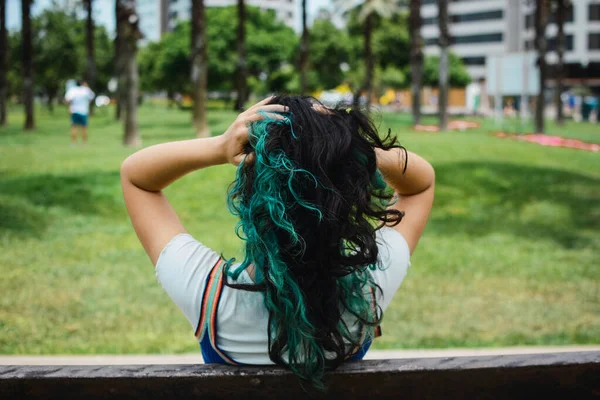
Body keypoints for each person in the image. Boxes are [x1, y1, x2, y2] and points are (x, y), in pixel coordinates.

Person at [120, 96, 435, 388]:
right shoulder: (369, 289)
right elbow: (421, 184)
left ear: (253, 193)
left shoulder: (210, 296)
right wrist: (340, 149)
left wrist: (218, 147)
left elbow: (136, 177)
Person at [65, 80, 95, 145]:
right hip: (84, 111)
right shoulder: (86, 90)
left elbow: (67, 100)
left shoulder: (72, 90)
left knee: (74, 127)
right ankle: (84, 143)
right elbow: (92, 96)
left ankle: (73, 142)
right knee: (84, 127)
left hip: (74, 110)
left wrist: (70, 106)